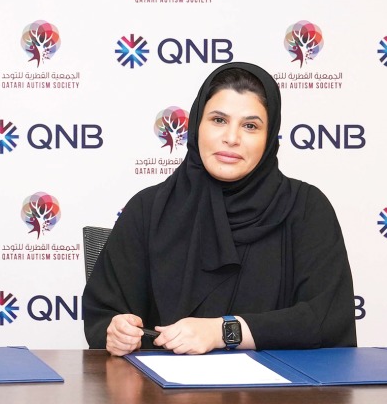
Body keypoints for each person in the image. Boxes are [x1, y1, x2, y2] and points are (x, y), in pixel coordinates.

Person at [84, 62, 356, 356]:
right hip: (162, 395)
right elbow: (105, 314)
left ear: (269, 138)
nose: (232, 138)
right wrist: (117, 331)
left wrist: (222, 331)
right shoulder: (149, 209)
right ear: (197, 125)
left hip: (278, 395)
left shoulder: (305, 208)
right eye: (218, 120)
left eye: (250, 126)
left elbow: (326, 319)